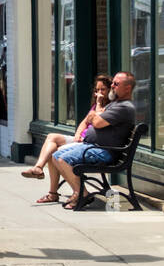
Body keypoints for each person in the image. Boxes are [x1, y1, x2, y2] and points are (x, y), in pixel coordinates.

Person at [50, 72, 137, 209]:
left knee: (63, 160)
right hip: (93, 146)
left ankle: (81, 194)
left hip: (106, 151)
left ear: (127, 88)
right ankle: (80, 192)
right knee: (55, 156)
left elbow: (96, 122)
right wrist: (94, 116)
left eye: (116, 84)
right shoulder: (115, 104)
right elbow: (93, 118)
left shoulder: (124, 107)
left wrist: (94, 115)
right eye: (113, 83)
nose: (112, 86)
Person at [24, 75, 111, 199]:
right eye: (97, 90)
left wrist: (98, 103)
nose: (99, 93)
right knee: (51, 137)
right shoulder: (95, 106)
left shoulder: (109, 107)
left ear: (109, 90)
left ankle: (53, 193)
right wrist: (77, 135)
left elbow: (96, 117)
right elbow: (84, 122)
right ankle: (38, 167)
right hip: (80, 140)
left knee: (53, 151)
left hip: (88, 144)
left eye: (103, 90)